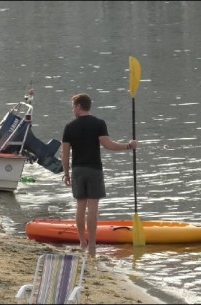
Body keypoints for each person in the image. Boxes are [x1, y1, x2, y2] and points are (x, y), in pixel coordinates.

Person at [61, 93, 137, 258]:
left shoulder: (69, 127)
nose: (72, 109)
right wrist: (129, 146)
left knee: (80, 207)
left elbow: (65, 154)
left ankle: (82, 242)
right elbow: (109, 145)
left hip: (78, 170)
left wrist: (66, 173)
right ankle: (93, 245)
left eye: (73, 106)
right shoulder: (98, 124)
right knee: (93, 208)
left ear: (80, 106)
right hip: (94, 169)